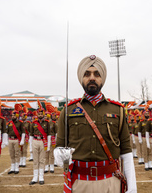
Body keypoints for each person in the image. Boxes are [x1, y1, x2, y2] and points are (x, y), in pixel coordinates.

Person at [55, 55, 137, 193]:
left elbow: (126, 152)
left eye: (96, 74)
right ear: (81, 78)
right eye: (87, 74)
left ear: (102, 78)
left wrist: (132, 187)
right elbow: (59, 148)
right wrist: (60, 158)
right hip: (79, 183)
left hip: (111, 182)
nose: (92, 77)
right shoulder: (68, 111)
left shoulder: (118, 110)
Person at [29, 101, 51, 185]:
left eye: (41, 114)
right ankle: (35, 177)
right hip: (35, 141)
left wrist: (48, 146)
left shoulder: (47, 123)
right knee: (35, 160)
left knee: (42, 160)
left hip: (43, 141)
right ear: (37, 115)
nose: (40, 115)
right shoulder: (33, 123)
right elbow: (31, 135)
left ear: (43, 114)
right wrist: (31, 147)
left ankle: (41, 177)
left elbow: (49, 135)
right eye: (39, 114)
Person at [3, 104, 25, 175]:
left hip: (17, 140)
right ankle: (12, 167)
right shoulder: (9, 123)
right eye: (12, 115)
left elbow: (23, 132)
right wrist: (6, 140)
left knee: (17, 153)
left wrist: (22, 140)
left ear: (17, 116)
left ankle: (17, 167)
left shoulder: (20, 123)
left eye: (14, 116)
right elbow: (6, 132)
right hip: (10, 139)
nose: (12, 117)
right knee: (11, 153)